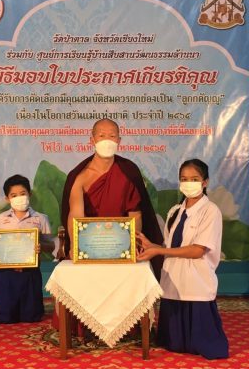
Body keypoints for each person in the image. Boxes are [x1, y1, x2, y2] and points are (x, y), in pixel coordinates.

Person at [136, 159, 229, 360]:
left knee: (206, 345)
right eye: (184, 179)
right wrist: (152, 246)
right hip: (173, 280)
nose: (188, 183)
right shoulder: (175, 211)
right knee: (173, 345)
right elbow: (170, 246)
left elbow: (197, 251)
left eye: (194, 179)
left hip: (197, 281)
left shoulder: (210, 211)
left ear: (205, 182)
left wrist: (159, 251)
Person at [61, 118, 163, 278]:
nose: (107, 141)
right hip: (90, 245)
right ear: (92, 140)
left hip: (120, 246)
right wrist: (76, 246)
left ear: (119, 141)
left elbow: (135, 214)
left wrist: (131, 246)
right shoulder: (80, 177)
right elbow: (75, 215)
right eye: (102, 136)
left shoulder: (128, 171)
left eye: (112, 136)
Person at [0, 174, 51, 324]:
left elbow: (51, 246)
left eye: (22, 193)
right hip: (6, 273)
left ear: (29, 194)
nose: (19, 198)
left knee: (32, 317)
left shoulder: (41, 218)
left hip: (30, 273)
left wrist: (41, 246)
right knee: (5, 318)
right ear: (7, 198)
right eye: (14, 195)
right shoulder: (0, 219)